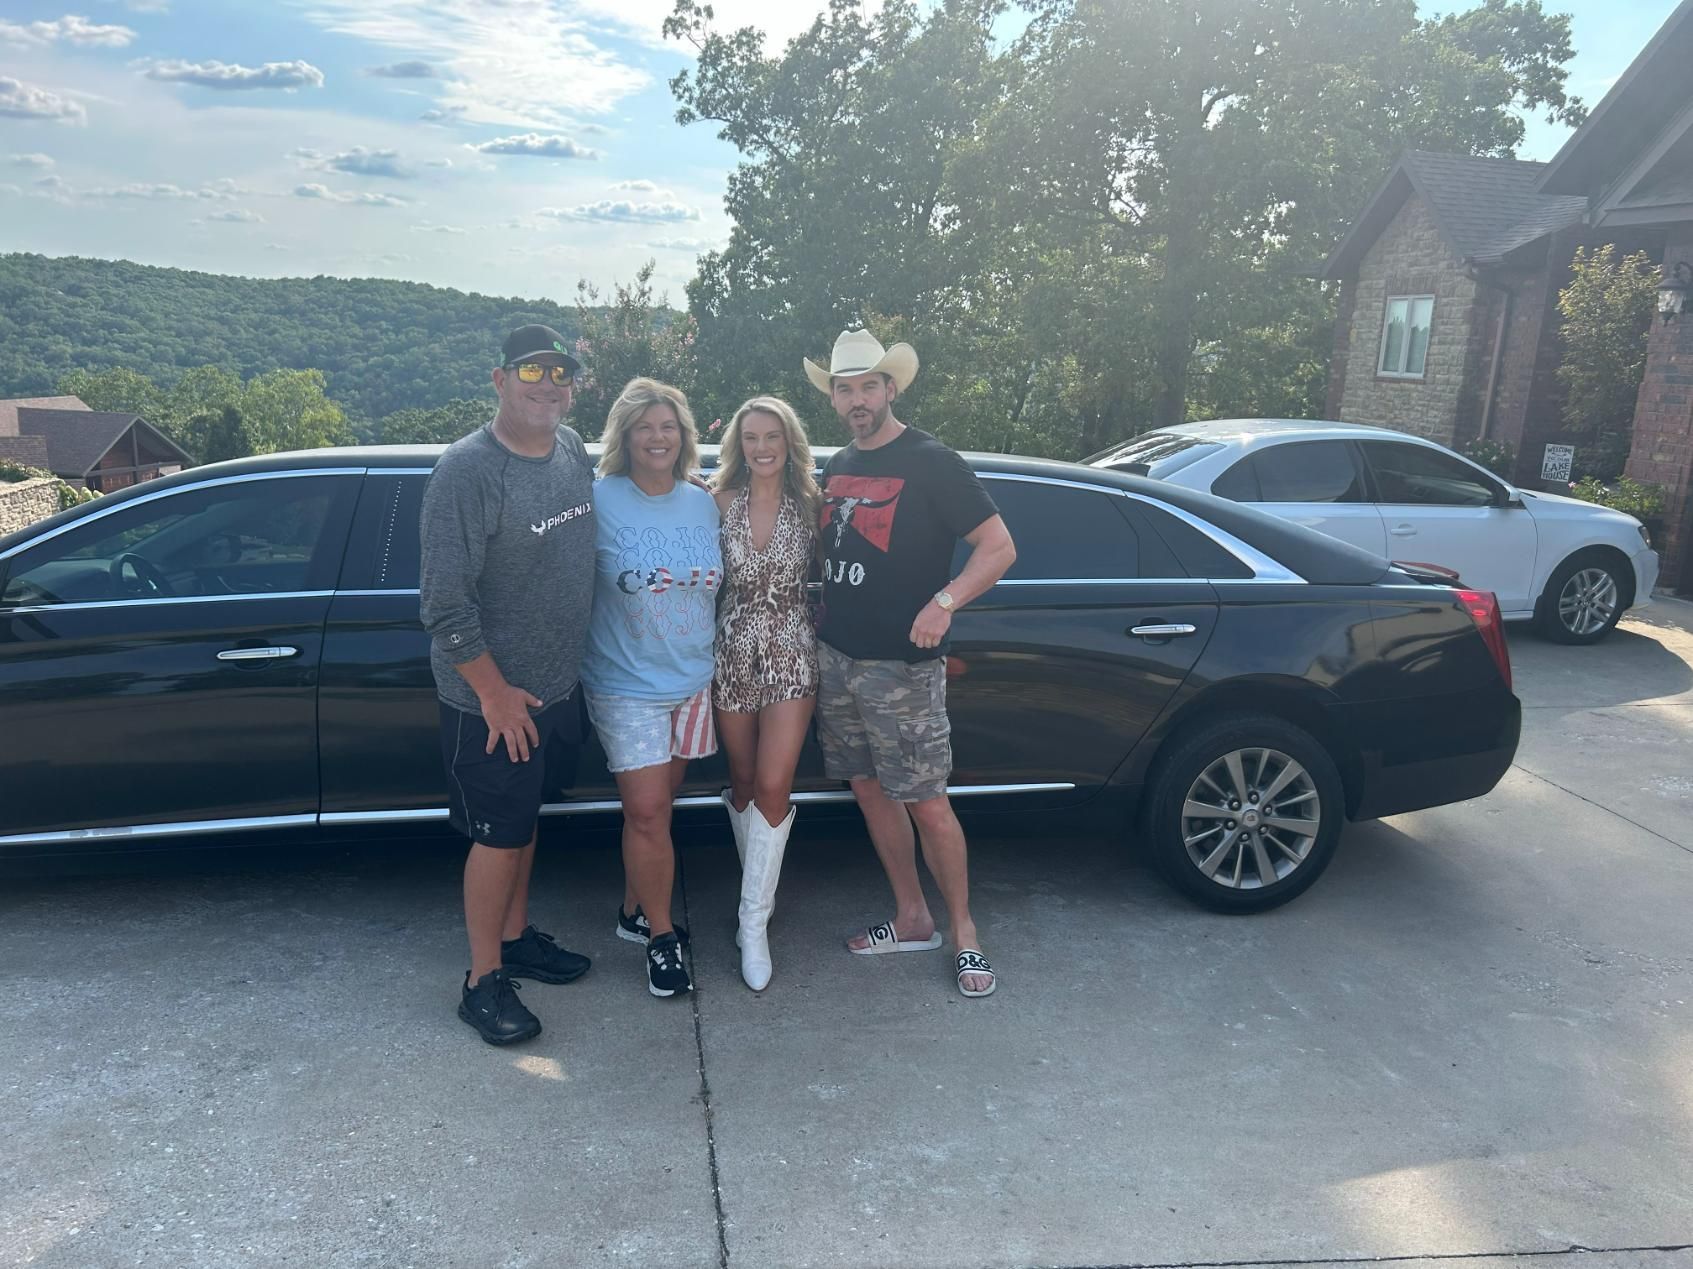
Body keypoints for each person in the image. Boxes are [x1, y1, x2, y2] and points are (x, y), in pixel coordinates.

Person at [805, 329, 1017, 998]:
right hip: (837, 660)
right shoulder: (836, 461)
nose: (857, 398)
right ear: (834, 397)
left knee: (926, 801)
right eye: (846, 388)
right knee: (867, 789)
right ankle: (912, 915)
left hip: (902, 667)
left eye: (869, 385)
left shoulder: (931, 460)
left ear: (890, 388)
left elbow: (998, 546)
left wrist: (944, 602)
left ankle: (964, 935)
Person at [419, 323, 596, 1046]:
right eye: (530, 373)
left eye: (559, 373)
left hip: (554, 689)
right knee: (497, 836)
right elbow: (443, 604)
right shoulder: (468, 470)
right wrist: (492, 692)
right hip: (491, 702)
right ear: (498, 380)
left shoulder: (572, 448)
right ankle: (481, 978)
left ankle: (517, 936)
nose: (547, 385)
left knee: (525, 823)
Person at [580, 377, 723, 998]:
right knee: (644, 812)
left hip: (693, 680)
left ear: (684, 436)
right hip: (624, 683)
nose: (657, 437)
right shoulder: (597, 500)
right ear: (626, 436)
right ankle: (662, 940)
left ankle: (635, 912)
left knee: (657, 813)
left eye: (668, 426)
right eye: (645, 427)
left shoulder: (703, 502)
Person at [710, 396, 822, 991]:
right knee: (746, 780)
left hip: (792, 650)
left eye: (771, 436)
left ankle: (752, 922)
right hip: (731, 652)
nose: (761, 447)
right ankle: (759, 880)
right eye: (750, 437)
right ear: (739, 444)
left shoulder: (812, 505)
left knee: (776, 785)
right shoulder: (717, 502)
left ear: (788, 441)